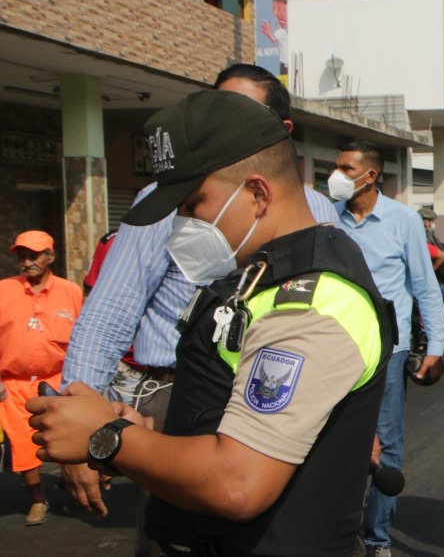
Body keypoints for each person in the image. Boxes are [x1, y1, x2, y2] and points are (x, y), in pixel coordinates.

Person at [31, 89, 393, 554]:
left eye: (193, 203)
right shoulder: (262, 272)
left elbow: (238, 482)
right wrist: (142, 436)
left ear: (258, 193)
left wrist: (108, 438)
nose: (182, 222)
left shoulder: (310, 303)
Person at [330, 140, 444, 557]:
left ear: (369, 176)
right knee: (330, 443)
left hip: (386, 352)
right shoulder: (329, 219)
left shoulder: (402, 221)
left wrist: (435, 345)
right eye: (336, 167)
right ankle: (336, 535)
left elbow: (424, 285)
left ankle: (378, 539)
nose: (337, 175)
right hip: (332, 352)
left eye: (345, 168)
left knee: (386, 445)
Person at [0, 231, 82, 526]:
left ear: (50, 256)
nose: (27, 261)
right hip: (14, 385)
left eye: (34, 255)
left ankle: (73, 482)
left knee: (68, 438)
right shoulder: (3, 290)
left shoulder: (70, 291)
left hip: (58, 379)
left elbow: (83, 337)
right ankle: (37, 499)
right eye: (22, 255)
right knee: (24, 446)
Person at [259, 0, 289, 76]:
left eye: (285, 9)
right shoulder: (279, 32)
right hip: (284, 63)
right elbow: (273, 39)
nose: (282, 14)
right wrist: (268, 33)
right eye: (278, 9)